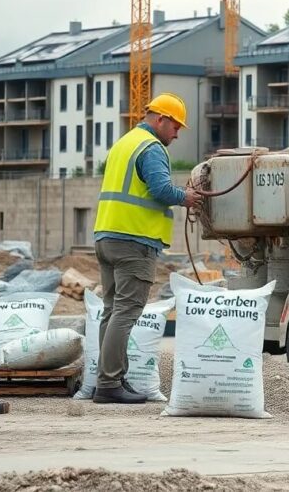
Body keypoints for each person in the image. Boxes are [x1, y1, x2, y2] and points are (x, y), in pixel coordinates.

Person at [92, 93, 203, 404]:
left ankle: (111, 378)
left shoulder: (125, 143)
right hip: (133, 241)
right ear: (160, 120)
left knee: (112, 311)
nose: (177, 133)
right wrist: (187, 197)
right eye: (176, 126)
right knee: (125, 312)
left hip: (107, 236)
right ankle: (109, 383)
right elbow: (160, 189)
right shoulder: (151, 148)